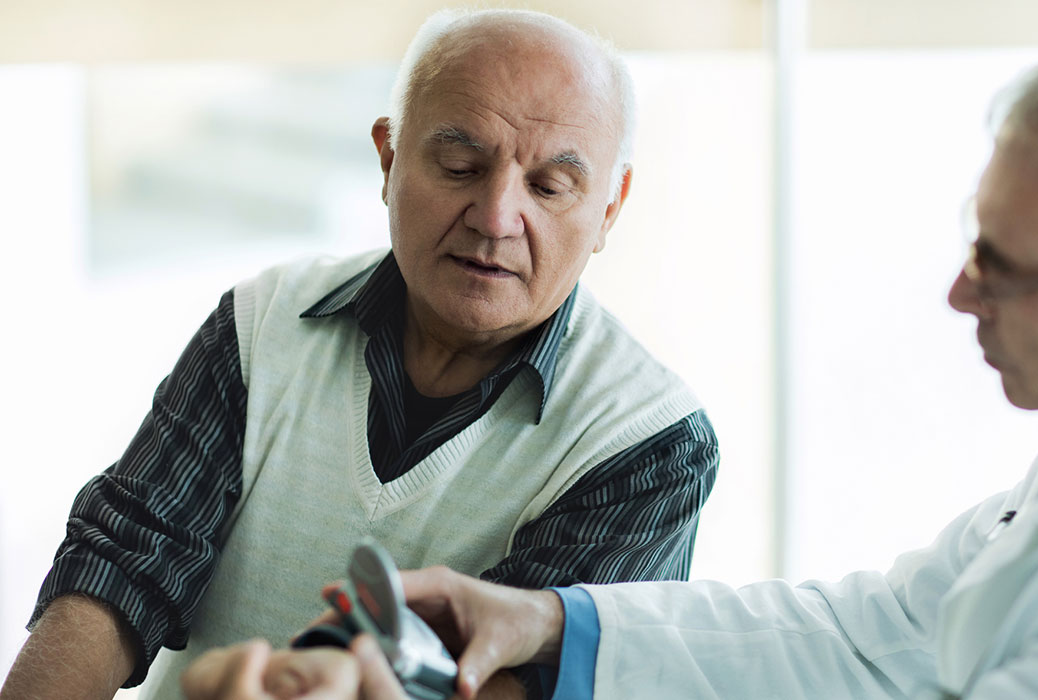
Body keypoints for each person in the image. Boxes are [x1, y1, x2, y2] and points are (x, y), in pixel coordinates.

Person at [183, 22, 1038, 700]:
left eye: (1003, 265)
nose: (958, 292)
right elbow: (871, 633)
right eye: (457, 160)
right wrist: (552, 618)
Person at [0, 8, 721, 700]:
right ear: (387, 157)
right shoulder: (263, 324)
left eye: (549, 186)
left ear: (611, 209)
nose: (498, 218)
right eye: (461, 164)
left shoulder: (649, 442)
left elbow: (520, 681)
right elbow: (122, 565)